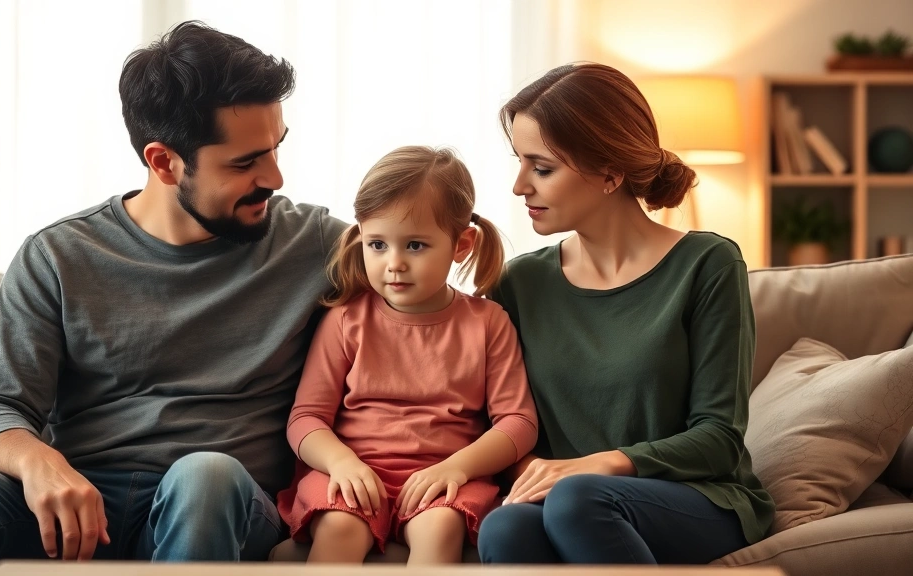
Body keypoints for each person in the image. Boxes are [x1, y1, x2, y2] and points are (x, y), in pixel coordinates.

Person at [0, 21, 349, 575]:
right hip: (78, 509)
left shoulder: (316, 243)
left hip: (217, 502)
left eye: (276, 148)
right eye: (245, 162)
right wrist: (39, 463)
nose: (275, 176)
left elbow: (429, 277)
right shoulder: (58, 256)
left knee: (205, 475)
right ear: (163, 161)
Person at [476, 63, 775, 565]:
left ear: (610, 174)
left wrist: (594, 467)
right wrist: (534, 472)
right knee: (506, 527)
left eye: (541, 167)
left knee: (579, 499)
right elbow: (504, 420)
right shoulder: (518, 284)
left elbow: (719, 438)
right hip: (569, 503)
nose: (518, 186)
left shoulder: (708, 265)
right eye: (519, 163)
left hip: (698, 500)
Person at [276, 146, 538, 564]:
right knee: (340, 528)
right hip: (352, 476)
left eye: (415, 245)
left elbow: (518, 422)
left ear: (461, 244)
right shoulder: (345, 320)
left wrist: (457, 468)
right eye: (377, 244)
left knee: (440, 528)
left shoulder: (488, 322)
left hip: (445, 481)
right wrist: (341, 462)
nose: (394, 263)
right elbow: (306, 418)